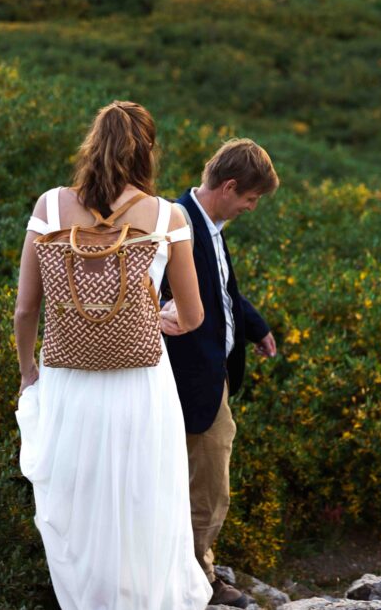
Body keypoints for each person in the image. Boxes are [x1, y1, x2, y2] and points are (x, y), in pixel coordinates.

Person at [12, 101, 212, 610]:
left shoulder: (51, 207)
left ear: (91, 144)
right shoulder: (169, 215)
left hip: (66, 381)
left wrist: (28, 372)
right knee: (143, 502)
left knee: (78, 505)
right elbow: (192, 317)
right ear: (147, 150)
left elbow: (24, 310)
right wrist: (156, 318)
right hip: (141, 382)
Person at [159, 138, 279, 608]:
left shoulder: (210, 225)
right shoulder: (178, 223)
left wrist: (256, 328)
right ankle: (199, 582)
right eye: (250, 198)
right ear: (229, 187)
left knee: (198, 483)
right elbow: (164, 298)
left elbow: (224, 291)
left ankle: (192, 571)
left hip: (212, 377)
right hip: (190, 381)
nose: (251, 207)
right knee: (206, 487)